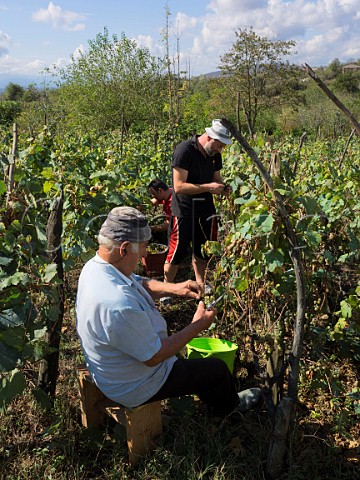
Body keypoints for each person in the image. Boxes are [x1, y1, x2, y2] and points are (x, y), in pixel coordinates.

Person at [76, 206, 261, 416]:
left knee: (196, 368)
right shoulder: (116, 304)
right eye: (143, 247)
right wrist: (198, 325)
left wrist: (176, 288)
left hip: (112, 369)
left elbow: (136, 281)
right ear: (124, 248)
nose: (145, 253)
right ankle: (230, 410)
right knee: (216, 371)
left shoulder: (96, 267)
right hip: (136, 384)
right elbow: (155, 356)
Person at [165, 119, 232, 290]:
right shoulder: (184, 151)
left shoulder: (214, 155)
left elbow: (216, 179)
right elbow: (179, 187)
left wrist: (223, 188)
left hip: (205, 208)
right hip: (184, 210)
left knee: (202, 249)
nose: (220, 150)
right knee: (177, 252)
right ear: (210, 138)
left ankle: (201, 284)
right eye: (219, 145)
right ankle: (167, 288)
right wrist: (209, 187)